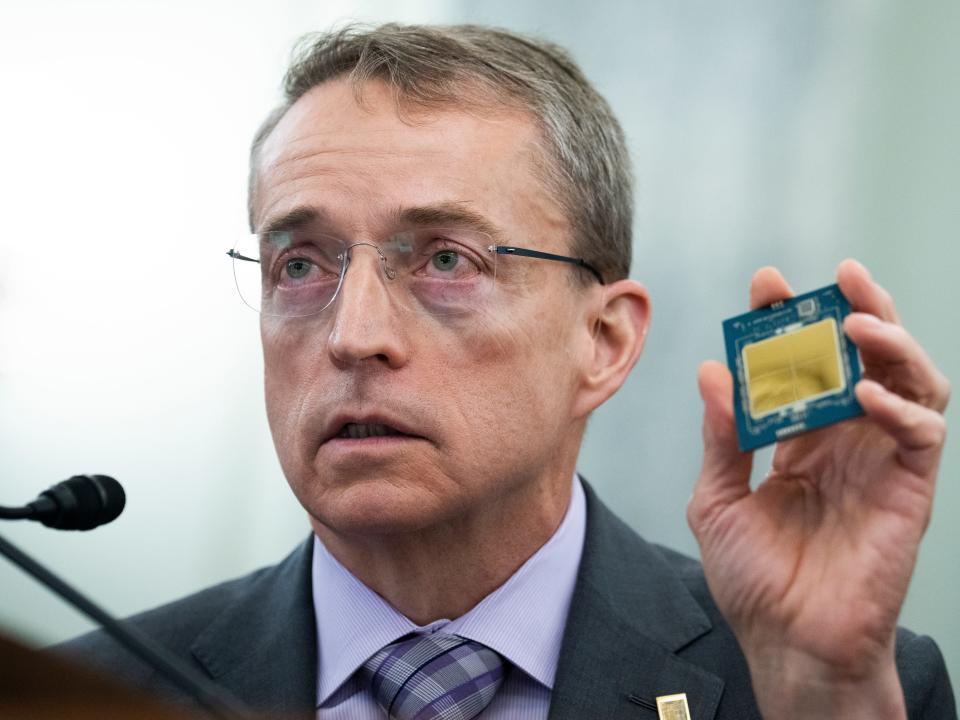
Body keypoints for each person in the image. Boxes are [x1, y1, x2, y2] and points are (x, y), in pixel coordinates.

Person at [61, 23, 954, 719]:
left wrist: (821, 697)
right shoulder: (87, 696)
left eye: (447, 261)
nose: (353, 336)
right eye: (301, 265)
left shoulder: (831, 685)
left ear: (602, 342)